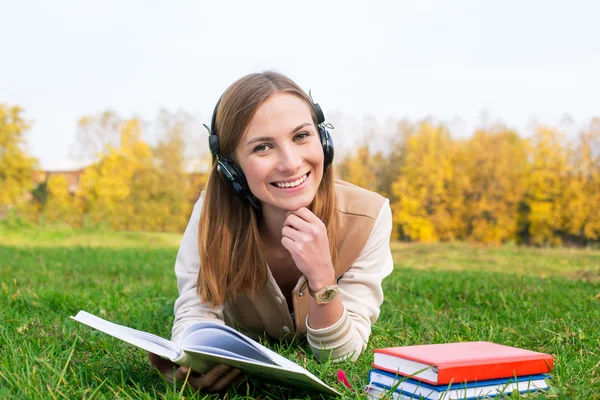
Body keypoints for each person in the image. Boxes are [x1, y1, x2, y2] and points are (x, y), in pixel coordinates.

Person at [149, 71, 394, 392]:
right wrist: (195, 359)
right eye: (263, 147)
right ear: (231, 167)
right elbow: (196, 311)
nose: (291, 163)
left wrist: (322, 279)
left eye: (301, 136)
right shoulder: (211, 213)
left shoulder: (368, 216)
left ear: (324, 141)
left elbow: (341, 356)